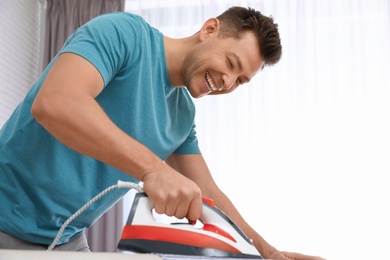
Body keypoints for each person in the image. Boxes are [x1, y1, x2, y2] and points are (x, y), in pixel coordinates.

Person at [0, 6, 323, 259]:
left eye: (240, 81)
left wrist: (266, 252)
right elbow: (56, 102)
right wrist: (154, 169)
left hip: (65, 240)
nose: (227, 82)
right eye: (230, 62)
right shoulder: (123, 34)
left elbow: (208, 192)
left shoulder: (182, 114)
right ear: (210, 29)